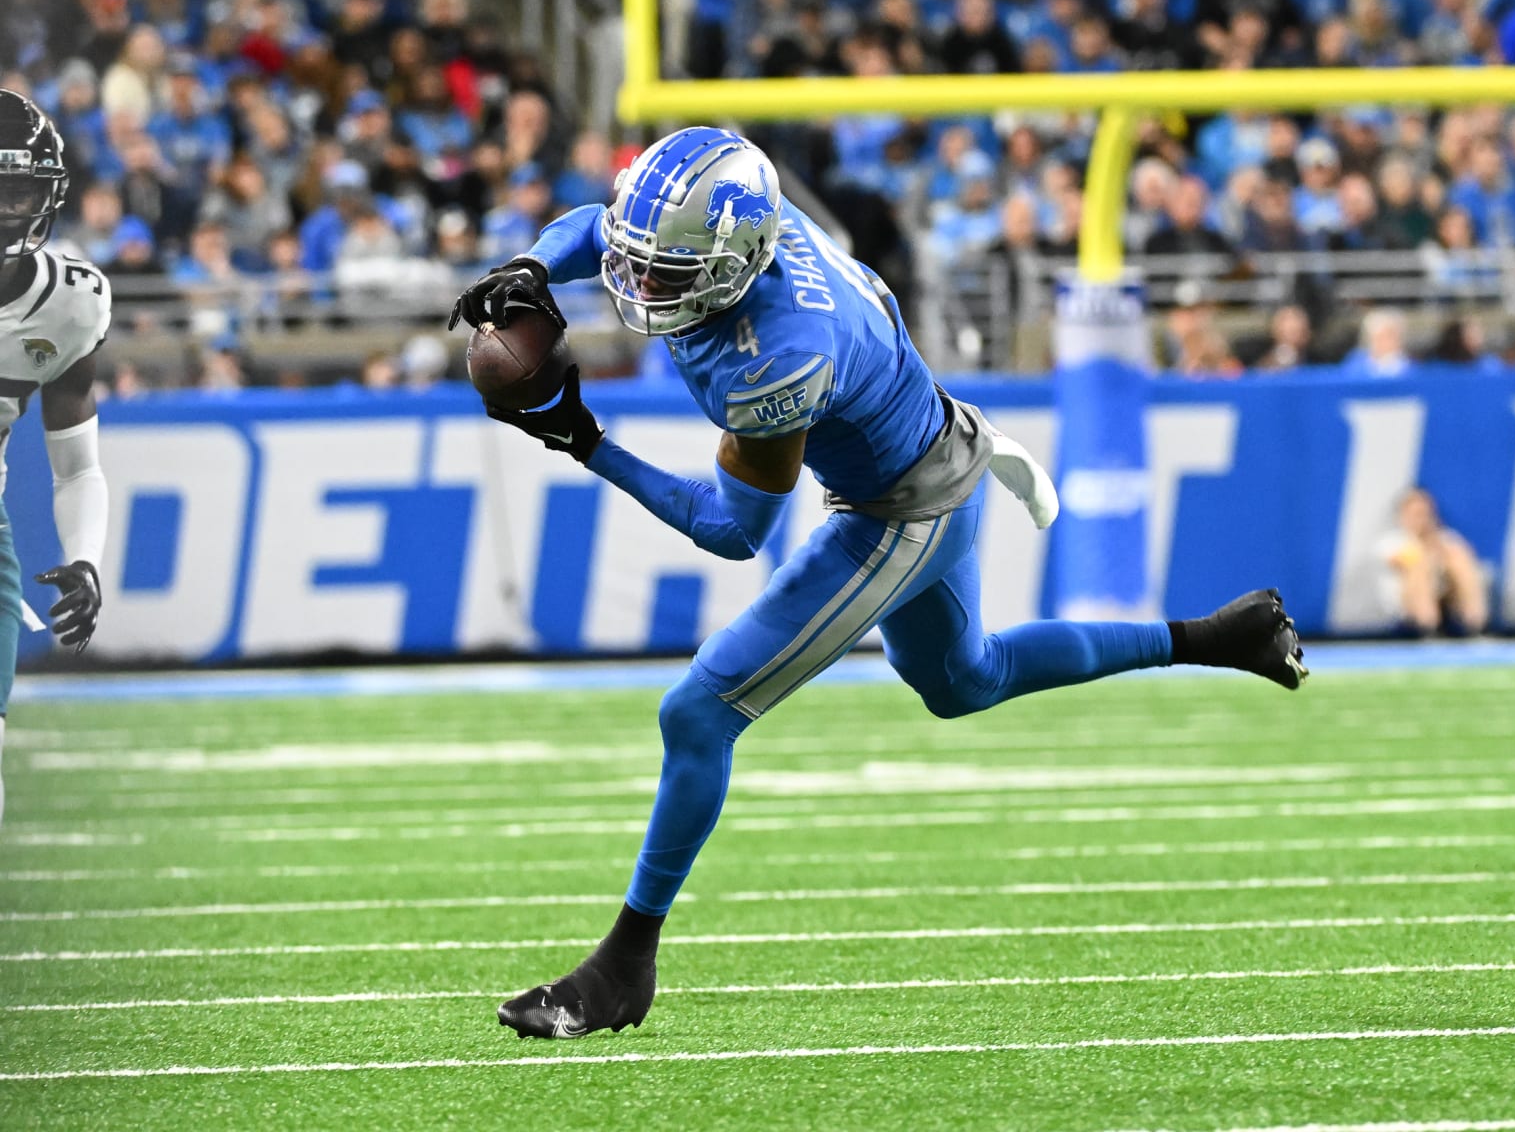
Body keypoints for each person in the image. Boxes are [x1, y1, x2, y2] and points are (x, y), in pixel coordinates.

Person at [450, 127, 1308, 1039]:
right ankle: (1216, 637)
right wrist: (531, 266)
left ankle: (623, 966)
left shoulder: (777, 355)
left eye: (666, 272)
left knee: (696, 712)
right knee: (963, 681)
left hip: (901, 510)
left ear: (730, 266)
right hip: (927, 447)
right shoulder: (747, 238)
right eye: (642, 261)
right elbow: (601, 228)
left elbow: (733, 530)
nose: (638, 285)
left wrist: (587, 441)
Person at [0, 91, 112, 821]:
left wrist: (86, 556)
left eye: (16, 189)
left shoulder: (68, 304)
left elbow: (77, 464)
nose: (5, 208)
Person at [1378, 487, 1488, 636]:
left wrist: (1436, 544)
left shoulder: (1445, 537)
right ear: (1403, 515)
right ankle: (1428, 629)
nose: (1422, 519)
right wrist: (1429, 550)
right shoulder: (1393, 541)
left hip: (1446, 602)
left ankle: (1476, 627)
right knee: (1419, 565)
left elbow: (1466, 556)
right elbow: (1404, 561)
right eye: (1416, 514)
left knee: (1459, 563)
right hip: (1406, 608)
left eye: (1425, 514)